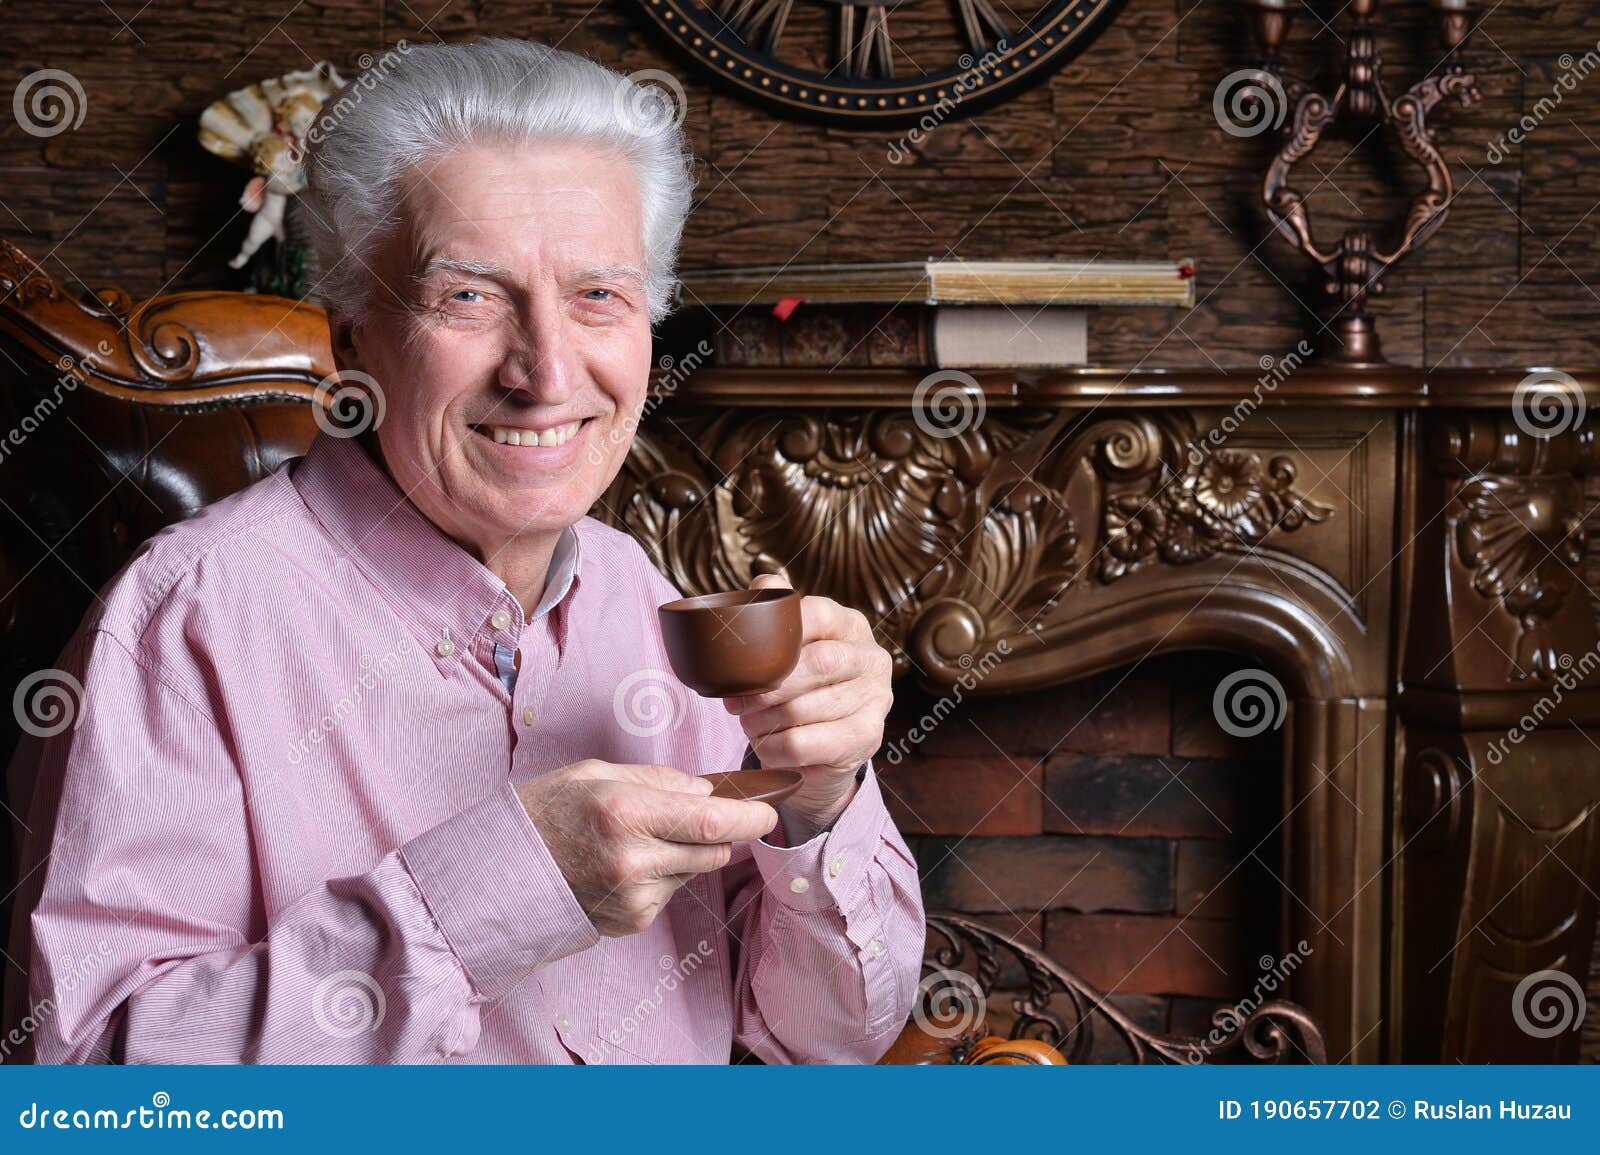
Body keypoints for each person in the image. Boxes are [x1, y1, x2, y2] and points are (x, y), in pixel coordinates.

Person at [2, 38, 922, 1064]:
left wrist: (818, 799)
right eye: (470, 297)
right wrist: (495, 894)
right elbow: (96, 1097)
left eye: (598, 295)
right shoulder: (186, 620)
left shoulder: (641, 595)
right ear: (353, 333)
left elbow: (826, 1042)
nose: (546, 374)